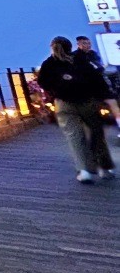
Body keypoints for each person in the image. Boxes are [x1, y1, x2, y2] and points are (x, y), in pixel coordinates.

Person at [38, 37, 114, 183]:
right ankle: (104, 168)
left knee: (74, 136)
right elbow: (96, 77)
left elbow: (43, 82)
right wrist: (105, 97)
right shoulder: (80, 59)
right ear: (70, 46)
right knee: (96, 133)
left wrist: (56, 91)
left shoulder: (48, 63)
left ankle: (84, 171)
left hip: (64, 103)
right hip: (87, 101)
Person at [76, 36, 120, 130]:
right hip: (87, 88)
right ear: (79, 44)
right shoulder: (75, 56)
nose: (88, 45)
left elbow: (99, 67)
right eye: (84, 43)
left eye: (89, 43)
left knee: (113, 104)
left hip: (101, 85)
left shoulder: (93, 54)